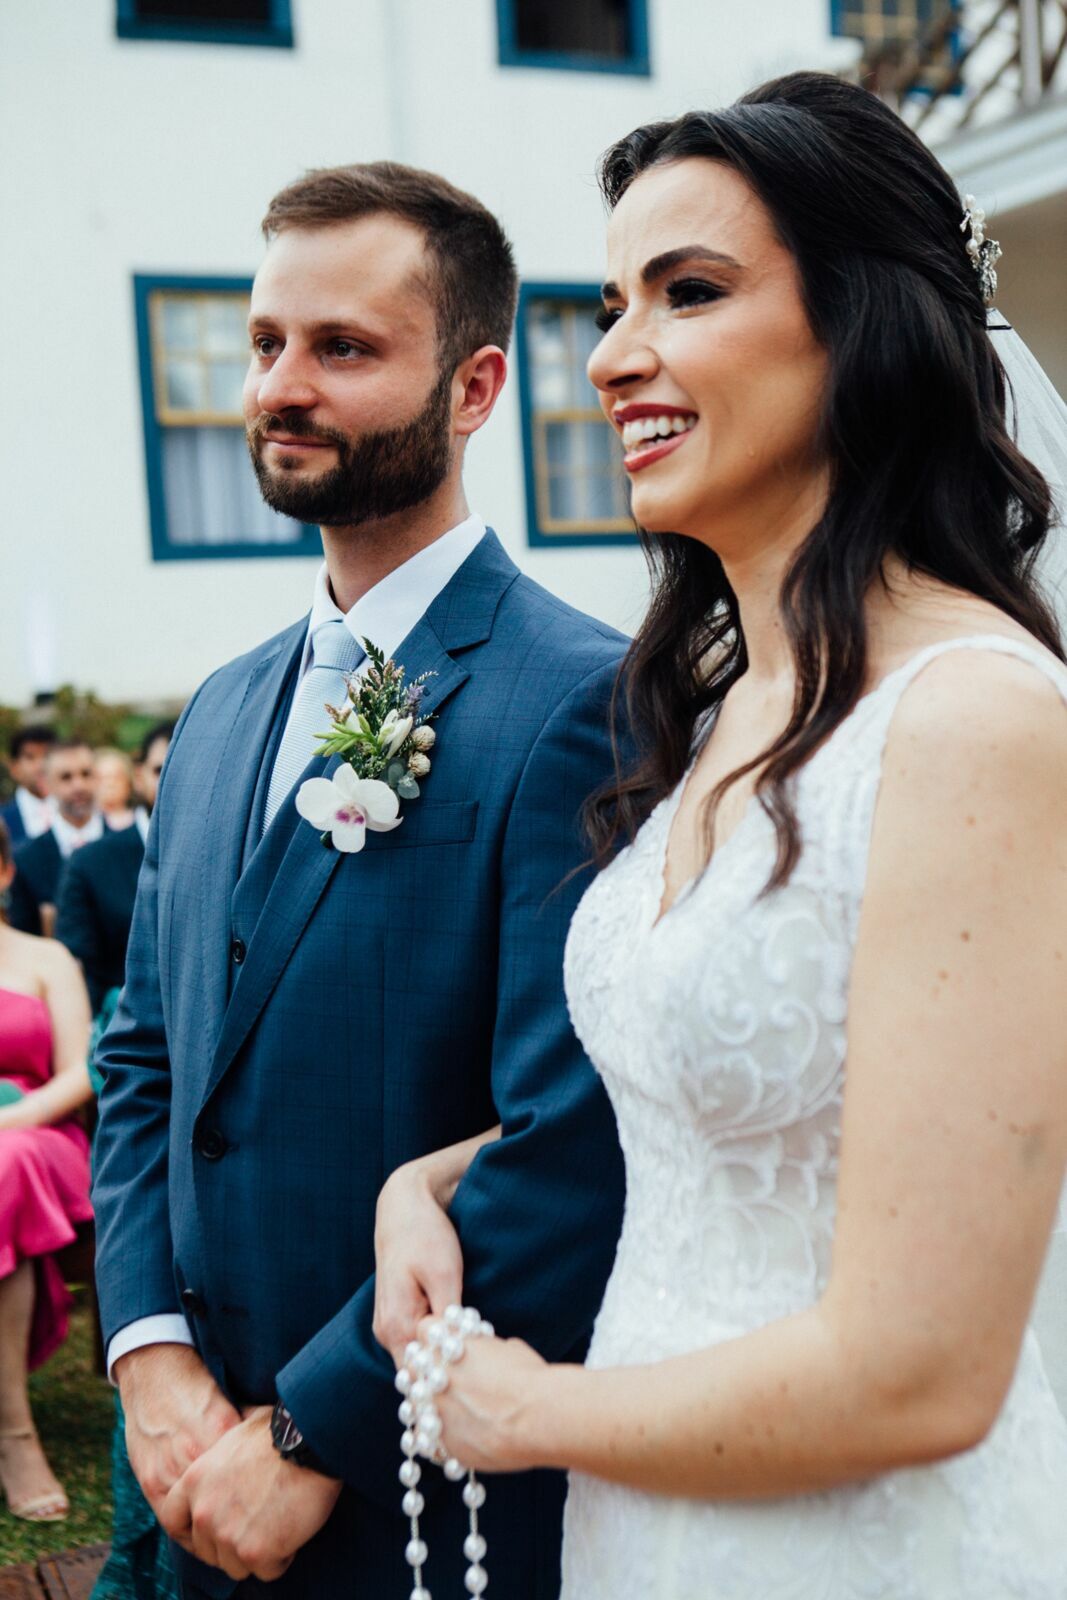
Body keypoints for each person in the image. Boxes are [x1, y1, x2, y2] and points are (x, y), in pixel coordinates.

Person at [373, 73, 1067, 1598]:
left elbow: (920, 1368)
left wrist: (520, 1411)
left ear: (864, 323)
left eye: (687, 293)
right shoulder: (725, 709)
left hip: (862, 1543)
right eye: (613, 304)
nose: (614, 357)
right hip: (656, 1531)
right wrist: (423, 1185)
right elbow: (766, 1107)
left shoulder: (974, 723)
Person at [91, 161, 626, 1598]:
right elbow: (143, 1052)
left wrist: (308, 1431)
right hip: (178, 1468)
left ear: (473, 388)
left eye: (343, 348)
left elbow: (564, 1140)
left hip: (409, 1497)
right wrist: (146, 1354)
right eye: (267, 343)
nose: (279, 386)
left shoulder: (579, 700)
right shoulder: (213, 713)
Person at [0, 820, 94, 1523]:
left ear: (5, 874)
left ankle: (15, 1435)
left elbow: (79, 1074)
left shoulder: (47, 957)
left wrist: (6, 1122)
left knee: (8, 1162)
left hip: (43, 1138)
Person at [56, 725, 174, 1015]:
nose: (176, 780)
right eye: (161, 769)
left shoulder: (237, 854)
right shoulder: (92, 863)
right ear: (139, 775)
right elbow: (77, 967)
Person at [8, 740, 102, 938]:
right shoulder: (26, 859)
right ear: (46, 783)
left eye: (86, 774)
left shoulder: (131, 846)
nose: (79, 785)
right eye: (66, 777)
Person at [0, 726, 56, 848]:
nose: (41, 766)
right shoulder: (3, 819)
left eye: (47, 756)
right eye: (30, 757)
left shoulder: (82, 811)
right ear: (14, 767)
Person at [94, 748, 137, 832]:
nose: (110, 784)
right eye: (102, 778)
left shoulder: (142, 819)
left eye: (116, 777)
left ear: (129, 783)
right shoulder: (88, 824)